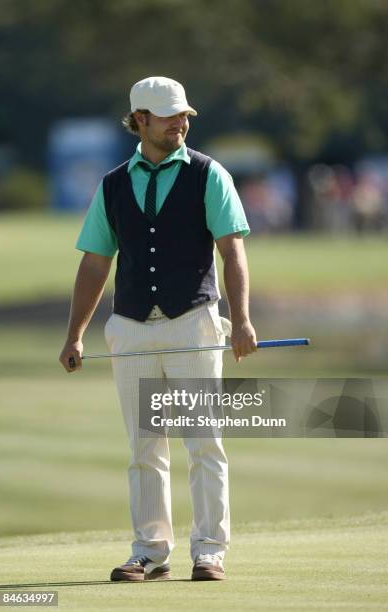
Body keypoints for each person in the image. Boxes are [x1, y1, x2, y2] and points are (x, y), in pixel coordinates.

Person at [59, 76, 257, 582]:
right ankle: (149, 551)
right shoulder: (112, 184)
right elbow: (94, 263)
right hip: (131, 329)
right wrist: (75, 333)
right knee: (145, 447)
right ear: (140, 120)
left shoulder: (208, 174)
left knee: (202, 441)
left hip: (193, 323)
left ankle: (209, 550)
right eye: (170, 116)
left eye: (185, 115)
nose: (182, 123)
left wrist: (243, 320)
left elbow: (231, 250)